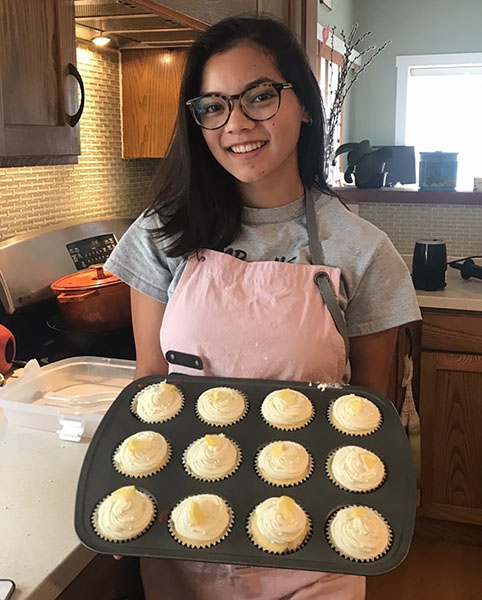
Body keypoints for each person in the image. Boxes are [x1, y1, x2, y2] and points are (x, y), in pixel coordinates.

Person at [105, 15, 421, 600]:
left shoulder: (362, 250)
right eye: (213, 107)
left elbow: (370, 418)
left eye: (259, 97)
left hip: (314, 549)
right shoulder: (161, 235)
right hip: (184, 537)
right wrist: (129, 494)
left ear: (303, 103)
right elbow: (150, 385)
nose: (237, 124)